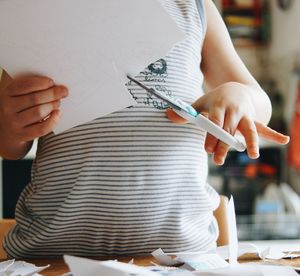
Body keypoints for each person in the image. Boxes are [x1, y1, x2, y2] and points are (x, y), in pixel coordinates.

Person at [0, 0, 289, 258]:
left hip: (182, 261)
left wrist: (239, 96)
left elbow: (260, 102)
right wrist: (11, 123)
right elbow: (7, 146)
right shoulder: (37, 12)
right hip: (49, 259)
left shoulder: (194, 7)